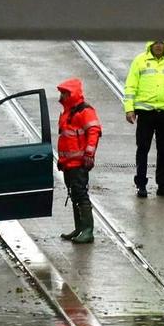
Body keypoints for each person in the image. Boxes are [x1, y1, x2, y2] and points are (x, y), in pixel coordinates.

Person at [123, 40, 164, 198]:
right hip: (145, 112)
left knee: (163, 150)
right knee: (143, 149)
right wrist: (129, 108)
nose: (159, 46)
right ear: (150, 45)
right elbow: (131, 86)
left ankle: (163, 184)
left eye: (161, 43)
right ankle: (141, 184)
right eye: (156, 43)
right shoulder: (140, 61)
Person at [55, 77, 102, 244]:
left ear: (72, 94)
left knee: (80, 195)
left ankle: (87, 230)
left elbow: (94, 131)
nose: (61, 97)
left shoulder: (84, 111)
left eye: (64, 94)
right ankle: (80, 228)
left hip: (78, 163)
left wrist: (89, 155)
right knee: (74, 194)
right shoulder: (68, 112)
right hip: (69, 163)